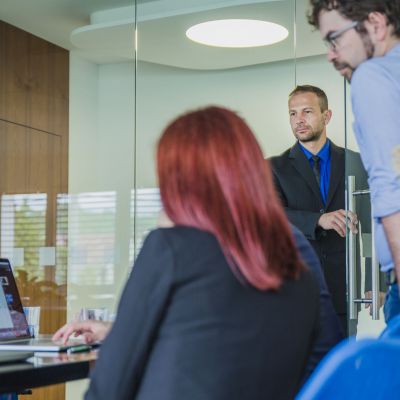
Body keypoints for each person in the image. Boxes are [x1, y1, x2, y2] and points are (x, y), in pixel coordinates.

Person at [53, 106, 338, 399]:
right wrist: (118, 332)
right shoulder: (295, 254)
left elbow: (109, 388)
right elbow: (237, 340)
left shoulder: (169, 248)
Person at [308, 0, 400, 322]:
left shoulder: (371, 76)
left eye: (335, 38)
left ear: (375, 24)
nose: (331, 54)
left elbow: (392, 187)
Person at [269, 85, 368, 333]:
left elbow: (370, 227)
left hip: (346, 291)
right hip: (295, 290)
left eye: (307, 112)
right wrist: (318, 220)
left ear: (327, 116)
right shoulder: (273, 168)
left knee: (342, 369)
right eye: (293, 113)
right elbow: (270, 217)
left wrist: (373, 283)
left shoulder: (355, 162)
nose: (299, 120)